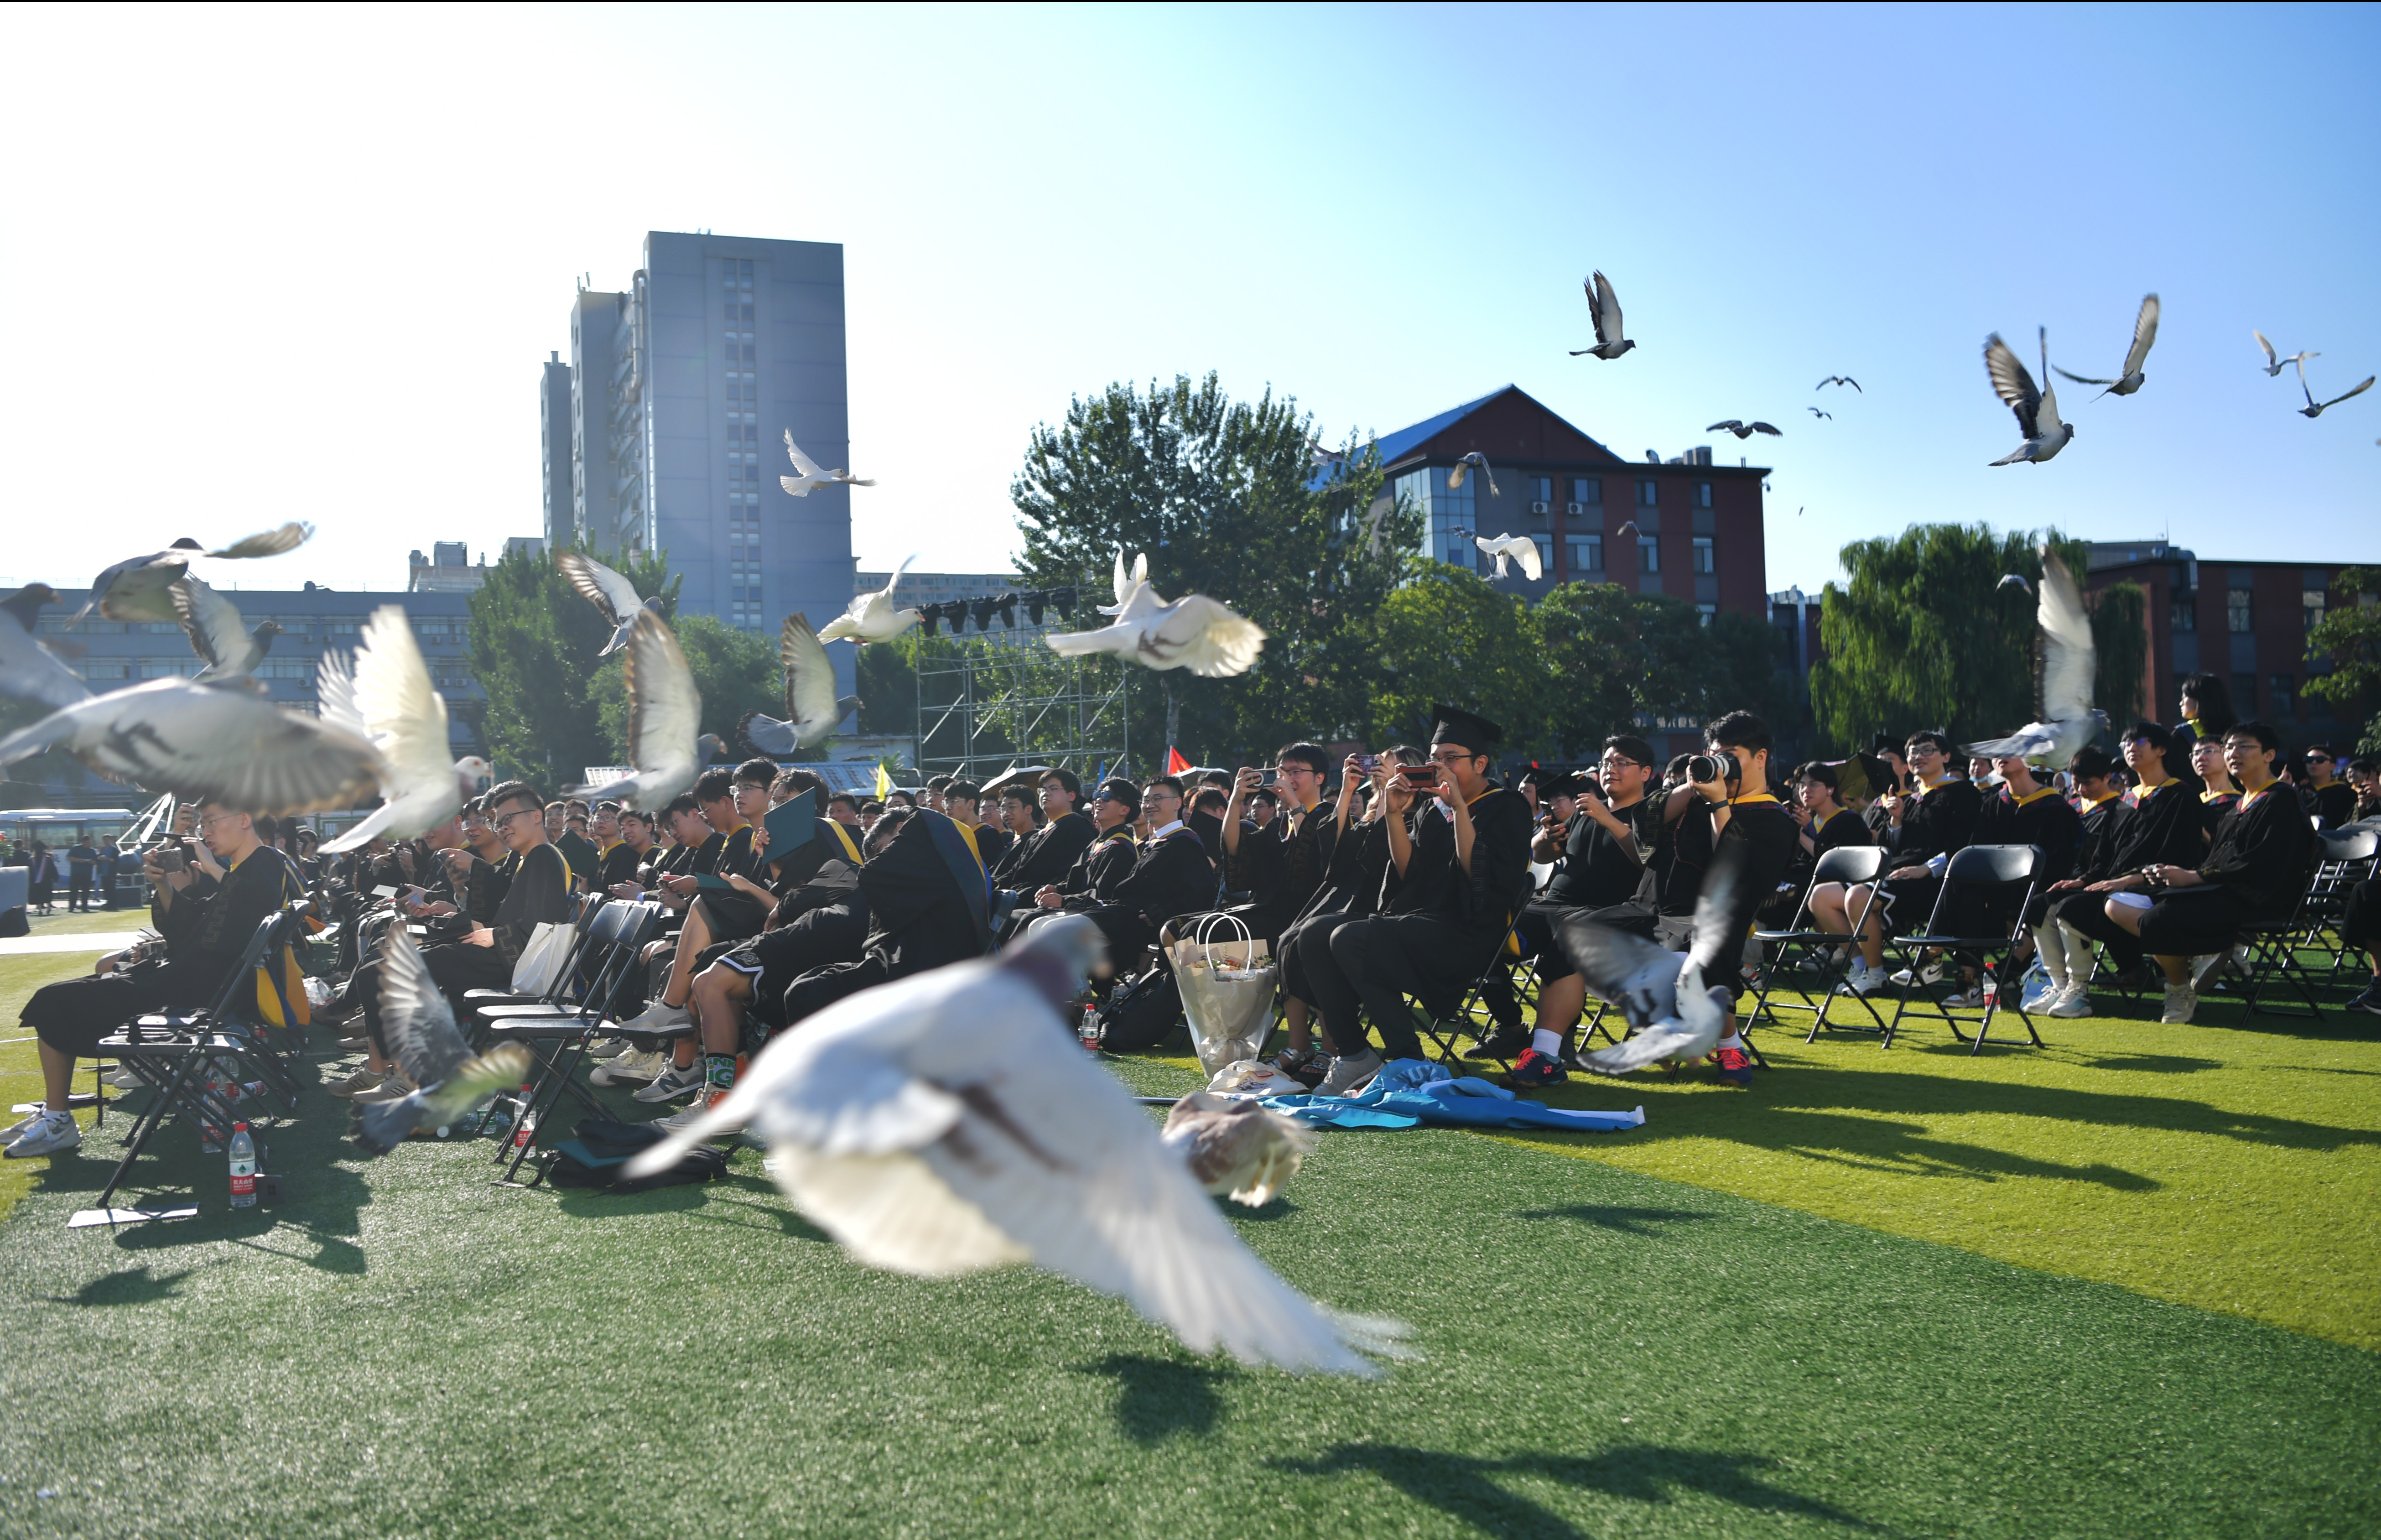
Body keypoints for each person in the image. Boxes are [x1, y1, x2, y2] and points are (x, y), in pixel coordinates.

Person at [8, 803, 303, 1159]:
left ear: (244, 820)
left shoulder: (266, 862)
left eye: (211, 822)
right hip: (188, 981)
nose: (206, 832)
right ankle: (55, 1117)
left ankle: (58, 1122)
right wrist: (164, 884)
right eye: (203, 824)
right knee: (61, 997)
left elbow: (251, 905)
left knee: (54, 1001)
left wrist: (212, 869)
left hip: (197, 994)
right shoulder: (243, 870)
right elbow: (187, 931)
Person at [1302, 706, 1534, 1094]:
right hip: (1424, 922)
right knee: (1313, 933)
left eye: (1450, 758)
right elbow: (1410, 873)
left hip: (1469, 932)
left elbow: (1475, 873)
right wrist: (1393, 815)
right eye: (1434, 758)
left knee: (1349, 938)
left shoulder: (1506, 807)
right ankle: (1356, 1054)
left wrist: (1459, 807)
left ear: (1480, 763)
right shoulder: (1430, 807)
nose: (1439, 766)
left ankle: (1409, 1060)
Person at [334, 780, 572, 1104]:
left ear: (536, 816)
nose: (501, 828)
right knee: (380, 966)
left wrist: (492, 934)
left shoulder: (544, 857)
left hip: (514, 965)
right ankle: (389, 1071)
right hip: (502, 955)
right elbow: (505, 917)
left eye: (508, 819)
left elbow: (546, 925)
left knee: (384, 973)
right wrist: (462, 917)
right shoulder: (526, 859)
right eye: (497, 822)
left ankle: (404, 1075)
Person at [2108, 722, 2314, 1024]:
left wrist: (2196, 877)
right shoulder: (2244, 803)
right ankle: (2202, 952)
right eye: (2229, 747)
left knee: (2158, 919)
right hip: (2223, 888)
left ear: (2269, 755)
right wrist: (2183, 873)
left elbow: (2260, 862)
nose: (2234, 754)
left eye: (2244, 747)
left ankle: (2183, 983)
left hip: (2261, 894)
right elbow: (2223, 858)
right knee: (2125, 904)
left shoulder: (2280, 799)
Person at [1494, 735, 1665, 1082]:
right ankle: (1511, 1028)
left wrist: (1608, 819)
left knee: (1570, 939)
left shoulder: (1650, 814)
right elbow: (1543, 857)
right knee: (1488, 922)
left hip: (1607, 914)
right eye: (1606, 763)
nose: (1610, 770)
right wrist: (1545, 837)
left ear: (1646, 772)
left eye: (1621, 763)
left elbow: (1649, 862)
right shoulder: (1584, 813)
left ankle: (1545, 1056)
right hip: (1552, 905)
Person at [2042, 723, 2206, 1013]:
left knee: (2077, 908)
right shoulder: (2125, 801)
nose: (2131, 746)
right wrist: (2084, 880)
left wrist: (2129, 880)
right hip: (2116, 890)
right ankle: (2071, 988)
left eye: (2139, 741)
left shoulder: (2181, 796)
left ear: (2161, 750)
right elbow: (2105, 859)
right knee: (2050, 902)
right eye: (2126, 742)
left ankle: (2179, 988)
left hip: (2157, 889)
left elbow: (2182, 856)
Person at [1809, 730, 1982, 995]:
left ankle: (1876, 974)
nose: (1918, 757)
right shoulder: (1910, 800)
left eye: (1927, 751)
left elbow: (1964, 844)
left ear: (1946, 756)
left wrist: (1925, 868)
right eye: (1913, 752)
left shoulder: (1963, 792)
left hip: (1936, 882)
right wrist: (1897, 821)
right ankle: (1860, 966)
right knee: (1820, 897)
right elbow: (1899, 850)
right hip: (1898, 876)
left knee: (1858, 895)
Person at [1273, 749, 1404, 1081]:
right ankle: (1300, 1044)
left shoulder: (1413, 813)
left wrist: (1391, 797)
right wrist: (1347, 790)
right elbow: (1334, 853)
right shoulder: (1369, 811)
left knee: (1317, 937)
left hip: (1380, 903)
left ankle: (1334, 1048)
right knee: (1290, 938)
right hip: (1345, 898)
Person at [1027, 779, 1141, 914]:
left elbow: (1103, 895)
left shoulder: (1121, 847)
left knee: (1030, 919)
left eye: (1107, 797)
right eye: (1098, 795)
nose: (1099, 800)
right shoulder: (1096, 843)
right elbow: (1075, 883)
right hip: (1079, 908)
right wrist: (1057, 889)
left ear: (1124, 810)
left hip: (1099, 916)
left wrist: (1064, 901)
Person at [2190, 736, 2240, 845]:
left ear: (2227, 756)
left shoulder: (2239, 805)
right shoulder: (2191, 802)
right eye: (2196, 753)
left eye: (2209, 751)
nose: (2201, 758)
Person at [2175, 672, 2237, 748]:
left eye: (2184, 697)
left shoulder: (2183, 734)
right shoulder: (2238, 733)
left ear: (2200, 699)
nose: (2181, 703)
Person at [2303, 745, 2357, 830]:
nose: (2314, 763)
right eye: (2309, 760)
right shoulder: (2299, 791)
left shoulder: (2346, 793)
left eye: (2320, 760)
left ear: (2332, 766)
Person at [63, 834, 96, 913]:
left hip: (87, 874)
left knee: (86, 892)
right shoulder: (75, 848)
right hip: (76, 874)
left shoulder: (92, 851)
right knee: (74, 891)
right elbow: (69, 858)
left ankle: (84, 907)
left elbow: (95, 862)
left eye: (90, 843)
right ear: (83, 842)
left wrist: (91, 862)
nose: (89, 844)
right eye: (87, 843)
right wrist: (79, 860)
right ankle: (72, 907)